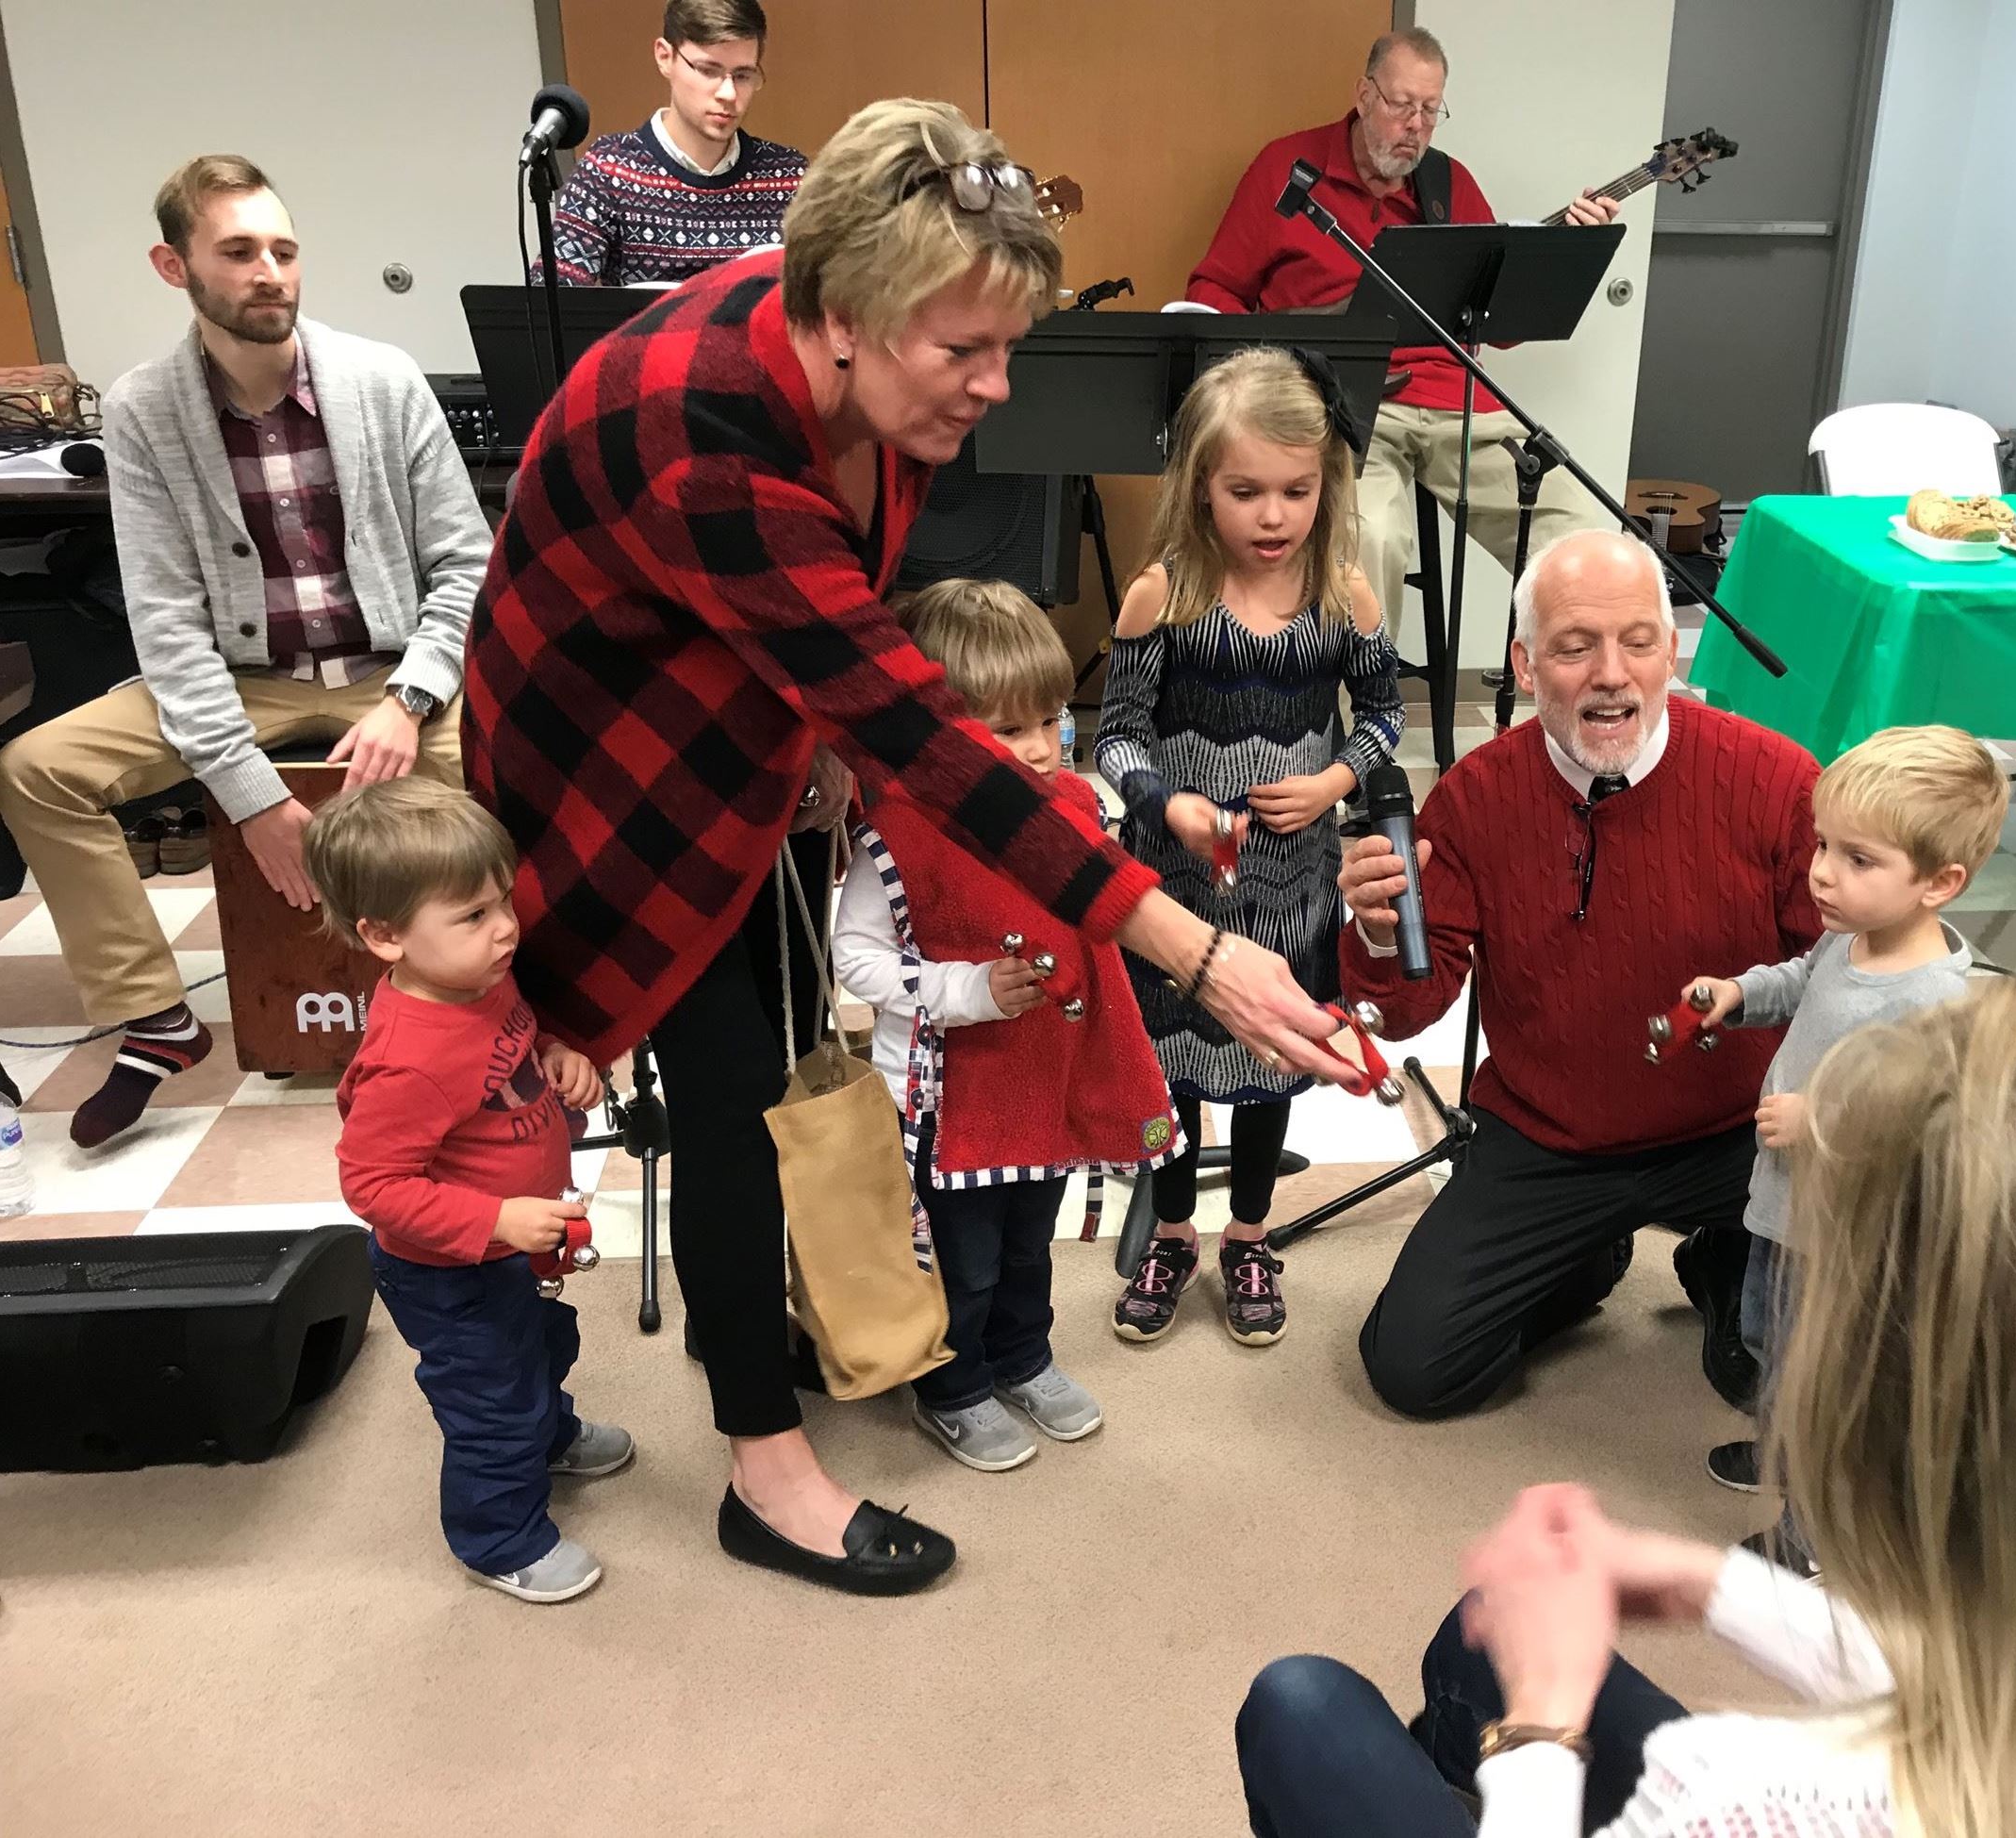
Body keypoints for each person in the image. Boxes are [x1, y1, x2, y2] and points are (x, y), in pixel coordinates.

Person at [462, 99, 1361, 1598]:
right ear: (839, 320)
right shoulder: (704, 434)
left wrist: (809, 732)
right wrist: (1189, 944)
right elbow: (924, 741)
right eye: (966, 352)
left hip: (721, 689)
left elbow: (836, 649)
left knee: (772, 1064)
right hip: (605, 766)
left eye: (1008, 344)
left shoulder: (843, 348)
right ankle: (764, 1464)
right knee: (741, 1094)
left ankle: (758, 1340)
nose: (997, 388)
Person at [1235, 985, 2016, 1837]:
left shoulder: (1746, 1795)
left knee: (1303, 1705)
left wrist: (1543, 1743)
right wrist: (1723, 1589)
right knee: (1483, 1631)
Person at [0, 155, 489, 1150]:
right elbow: (166, 623)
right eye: (238, 251)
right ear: (174, 266)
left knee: (523, 765)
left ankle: (504, 1010)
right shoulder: (144, 411)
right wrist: (252, 797)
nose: (270, 271)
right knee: (38, 770)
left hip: (391, 681)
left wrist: (409, 699)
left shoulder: (382, 382)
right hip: (244, 682)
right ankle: (157, 1018)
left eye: (284, 249)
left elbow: (468, 566)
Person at [1338, 528, 1819, 1419]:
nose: (1611, 672)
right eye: (1573, 646)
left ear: (1671, 650)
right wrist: (1372, 934)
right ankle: (1590, 1251)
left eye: (1638, 641)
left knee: (1836, 1353)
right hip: (1549, 1137)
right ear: (1523, 664)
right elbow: (1405, 1013)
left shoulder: (1775, 778)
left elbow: (1838, 974)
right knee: (1417, 1372)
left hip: (1742, 1132)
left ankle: (1722, 1252)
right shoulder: (1474, 799)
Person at [834, 578, 1179, 1473]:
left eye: (1048, 722)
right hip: (950, 1098)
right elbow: (856, 962)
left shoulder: (1070, 803)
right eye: (1006, 730)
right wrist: (964, 988)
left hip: (1045, 1076)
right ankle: (953, 1385)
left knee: (1031, 1241)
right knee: (966, 1258)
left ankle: (1023, 1358)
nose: (1035, 752)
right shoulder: (898, 834)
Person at [1097, 347, 1402, 1348]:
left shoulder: (1343, 595)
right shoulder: (1163, 594)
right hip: (1178, 881)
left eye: (1296, 491)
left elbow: (1385, 718)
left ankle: (1250, 1231)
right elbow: (1113, 733)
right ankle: (1173, 1228)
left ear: (1329, 485)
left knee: (1274, 1058)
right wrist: (1167, 801)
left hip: (1291, 883)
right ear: (1198, 486)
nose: (1272, 516)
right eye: (1244, 492)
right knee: (1173, 1064)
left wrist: (1328, 782)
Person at [1680, 724, 2005, 1565]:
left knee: (1825, 1381)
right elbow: (1799, 980)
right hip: (1785, 1207)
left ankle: (1813, 1536)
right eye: (1823, 844)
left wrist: (1819, 1123)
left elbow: (1923, 1127)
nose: (1822, 870)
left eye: (1858, 859)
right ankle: (1786, 1447)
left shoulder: (1934, 997)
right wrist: (1738, 993)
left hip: (1848, 1236)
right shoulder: (1849, 936)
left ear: (1940, 882)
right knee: (1765, 1341)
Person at [1185, 28, 1622, 644]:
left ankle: (1580, 708)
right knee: (1371, 543)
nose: (1414, 125)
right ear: (1363, 96)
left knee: (1583, 533)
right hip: (1344, 404)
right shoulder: (1286, 169)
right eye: (1400, 105)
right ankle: (1369, 726)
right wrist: (1260, 374)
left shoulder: (1448, 185)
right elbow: (1213, 287)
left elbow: (1499, 327)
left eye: (1429, 111)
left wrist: (1563, 254)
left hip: (1457, 405)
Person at [307, 779, 625, 1605]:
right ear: (384, 937)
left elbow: (511, 1052)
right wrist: (493, 1216)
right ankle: (499, 1539)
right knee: (491, 1402)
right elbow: (369, 1182)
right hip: (445, 1270)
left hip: (504, 1249)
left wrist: (555, 1052)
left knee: (539, 1348)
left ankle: (549, 1436)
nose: (506, 928)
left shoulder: (479, 980)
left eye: (501, 902)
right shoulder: (411, 1057)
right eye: (473, 916)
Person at [543, 0, 807, 288]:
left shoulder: (790, 178)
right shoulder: (609, 171)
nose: (729, 94)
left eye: (743, 75)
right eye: (708, 70)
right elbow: (551, 301)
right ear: (665, 57)